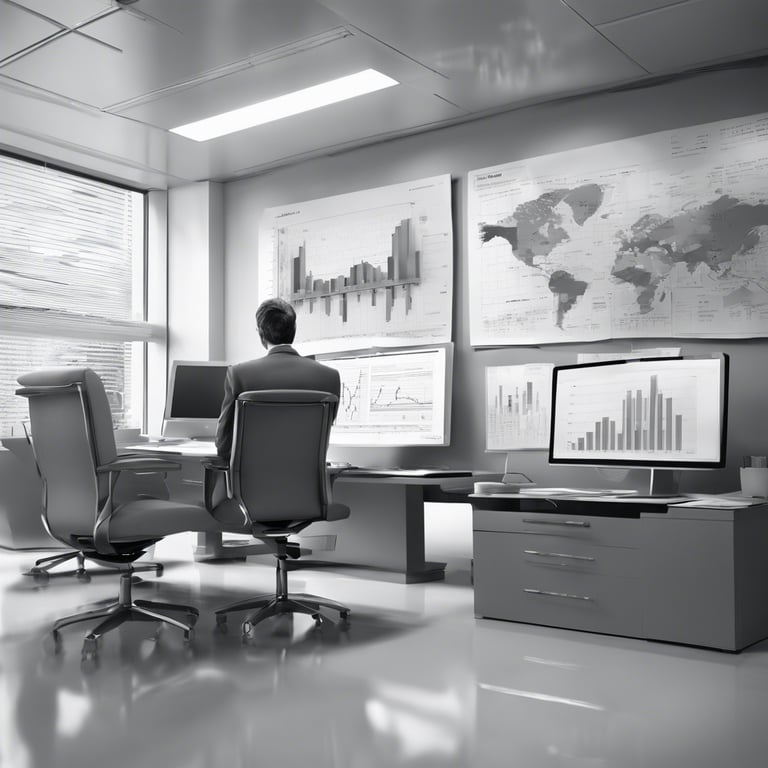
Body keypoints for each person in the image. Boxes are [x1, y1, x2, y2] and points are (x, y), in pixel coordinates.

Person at [214, 297, 341, 460]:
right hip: (305, 475)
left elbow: (223, 446)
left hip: (252, 475)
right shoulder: (330, 377)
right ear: (294, 328)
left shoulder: (239, 374)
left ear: (260, 332)